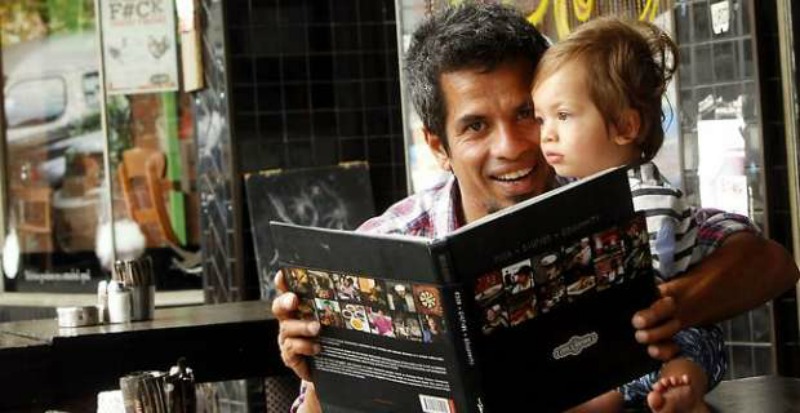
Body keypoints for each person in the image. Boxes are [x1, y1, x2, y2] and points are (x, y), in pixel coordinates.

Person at [273, 4, 800, 413]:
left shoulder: (599, 192)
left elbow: (770, 263)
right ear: (437, 145)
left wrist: (667, 307)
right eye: (476, 126)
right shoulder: (390, 242)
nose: (514, 146)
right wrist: (321, 372)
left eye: (527, 114)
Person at [530, 16, 722, 412]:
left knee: (688, 350)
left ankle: (679, 390)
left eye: (563, 116)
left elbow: (646, 286)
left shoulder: (646, 199)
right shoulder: (573, 196)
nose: (546, 134)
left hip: (660, 333)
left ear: (623, 126)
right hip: (609, 337)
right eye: (540, 119)